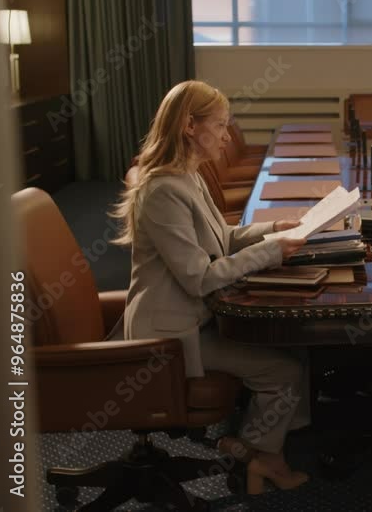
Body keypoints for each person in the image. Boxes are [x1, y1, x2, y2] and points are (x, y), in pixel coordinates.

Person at [111, 80, 311, 494]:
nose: (226, 136)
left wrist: (273, 227)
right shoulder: (163, 190)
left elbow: (223, 238)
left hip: (196, 317)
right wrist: (270, 252)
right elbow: (199, 276)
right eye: (220, 125)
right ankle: (263, 458)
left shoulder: (187, 175)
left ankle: (252, 445)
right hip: (168, 335)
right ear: (189, 126)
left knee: (293, 346)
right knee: (285, 371)